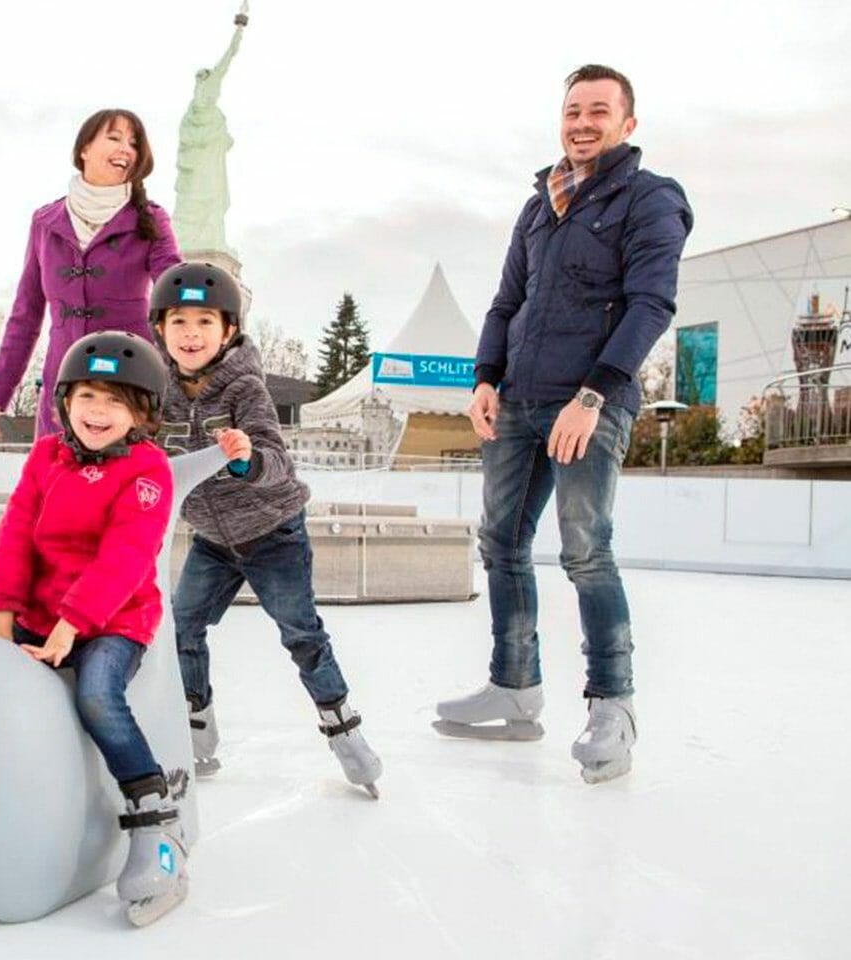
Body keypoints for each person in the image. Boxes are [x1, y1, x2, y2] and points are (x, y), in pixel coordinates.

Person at [434, 65, 693, 784]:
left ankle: (614, 704)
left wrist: (595, 396)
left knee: (585, 550)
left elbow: (650, 304)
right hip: (517, 400)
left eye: (599, 111)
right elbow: (505, 302)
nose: (582, 122)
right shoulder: (540, 204)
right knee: (502, 544)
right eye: (573, 109)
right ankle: (514, 689)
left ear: (627, 123)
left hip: (587, 401)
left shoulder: (650, 199)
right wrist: (485, 377)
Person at [150, 261, 383, 799]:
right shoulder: (159, 391)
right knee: (181, 627)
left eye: (205, 322)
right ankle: (197, 731)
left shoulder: (245, 387)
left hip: (273, 532)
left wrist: (248, 459)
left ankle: (344, 732)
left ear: (228, 331)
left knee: (301, 634)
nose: (191, 334)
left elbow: (276, 457)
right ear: (160, 329)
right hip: (211, 539)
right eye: (179, 322)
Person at [0, 331, 187, 925]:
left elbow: (125, 557)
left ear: (141, 414)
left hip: (115, 618)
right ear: (65, 399)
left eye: (116, 401)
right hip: (40, 611)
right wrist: (2, 615)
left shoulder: (149, 470)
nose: (99, 412)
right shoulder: (46, 456)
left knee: (97, 695)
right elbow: (16, 534)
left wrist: (72, 627)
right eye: (89, 395)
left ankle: (156, 822)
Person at [0, 109, 182, 440]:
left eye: (134, 143)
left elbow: (175, 292)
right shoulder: (45, 222)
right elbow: (25, 316)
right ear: (84, 148)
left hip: (129, 389)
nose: (126, 149)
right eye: (114, 137)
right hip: (63, 389)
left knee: (123, 488)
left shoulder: (151, 219)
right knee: (55, 487)